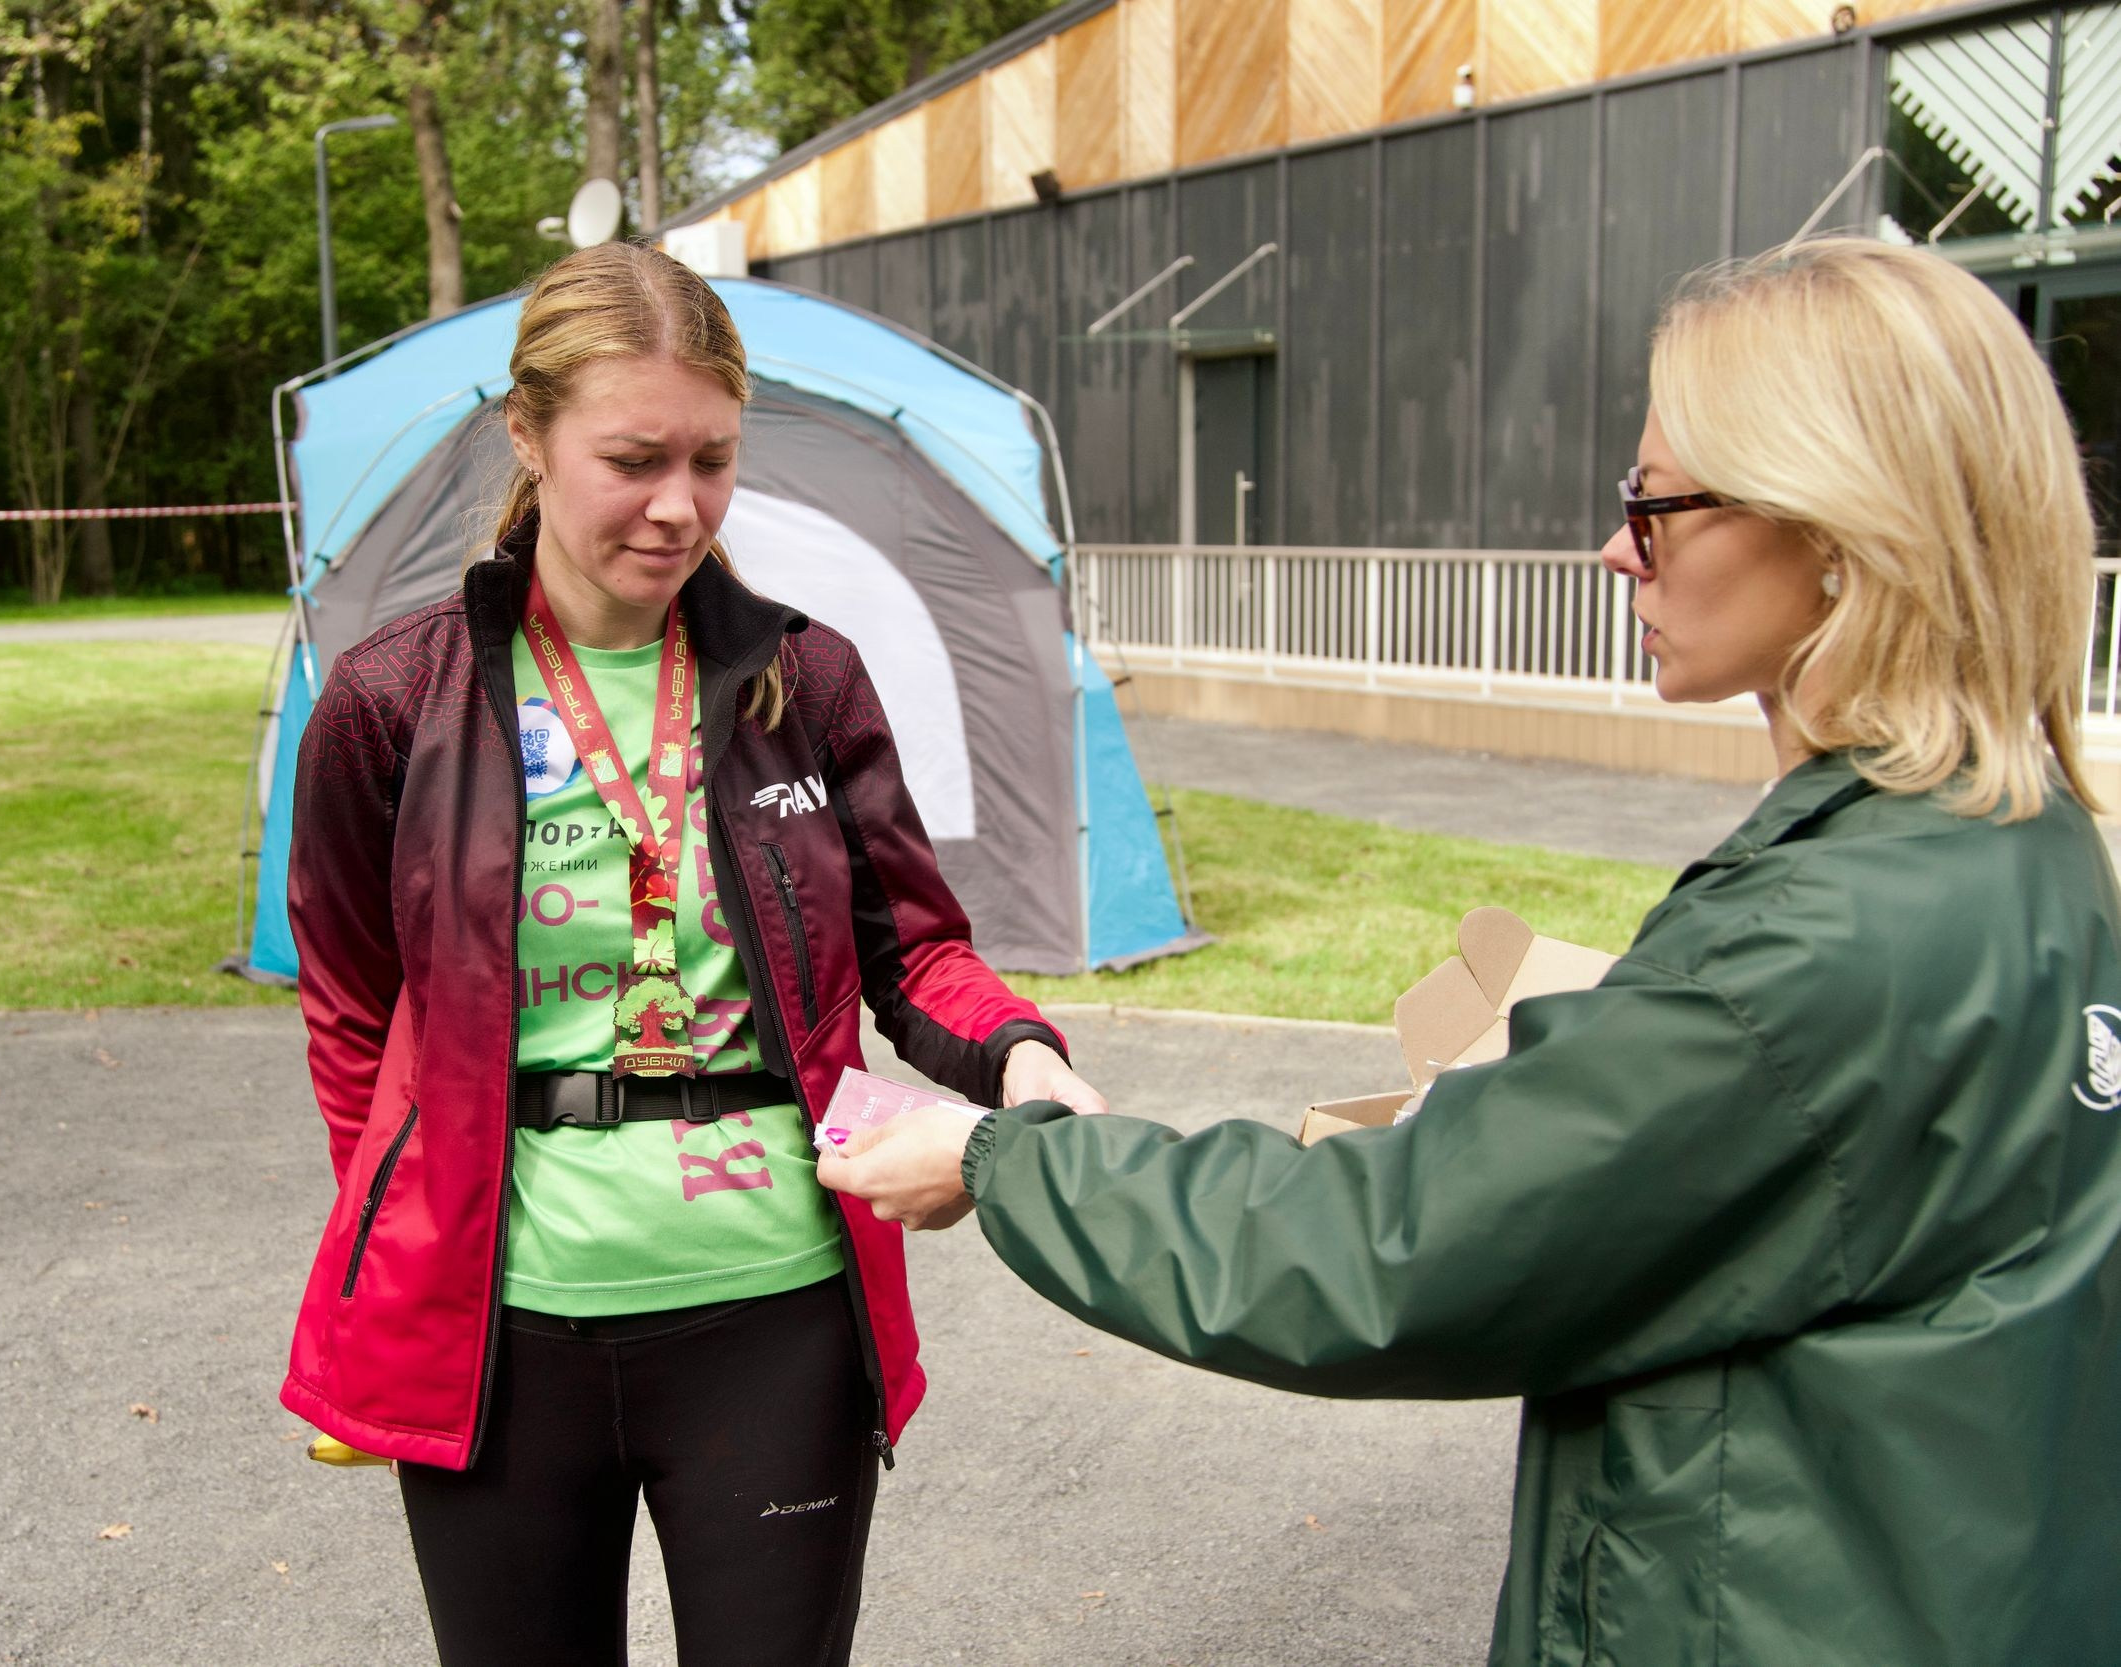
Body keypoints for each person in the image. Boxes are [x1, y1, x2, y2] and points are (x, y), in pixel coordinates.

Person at [820, 237, 2121, 1666]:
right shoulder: (2032, 851)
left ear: (1834, 528)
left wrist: (1001, 1161)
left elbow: (1392, 1251)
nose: (1616, 545)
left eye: (1655, 501)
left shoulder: (1818, 945)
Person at [277, 241, 1104, 1667]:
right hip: (502, 1327)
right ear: (528, 436)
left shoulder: (811, 678)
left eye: (714, 460)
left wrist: (1026, 1054)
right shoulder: (391, 699)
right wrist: (404, 1215)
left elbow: (914, 956)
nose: (680, 508)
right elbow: (355, 1003)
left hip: (775, 1315)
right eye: (634, 458)